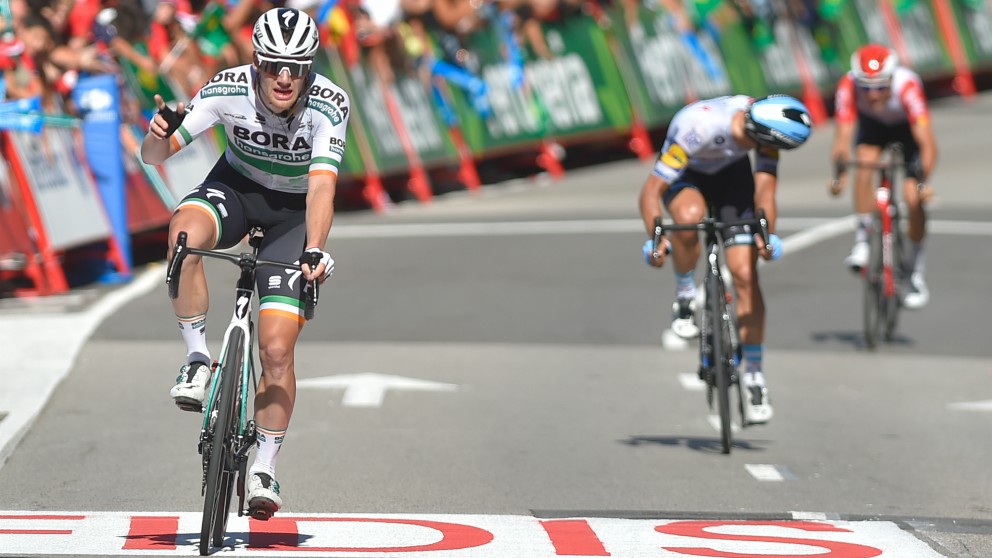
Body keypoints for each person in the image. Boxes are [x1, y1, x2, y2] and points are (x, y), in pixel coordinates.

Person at [140, 6, 349, 519]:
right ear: (255, 61)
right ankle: (195, 359)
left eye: (298, 67)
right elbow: (154, 156)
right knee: (184, 234)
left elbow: (322, 184)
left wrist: (316, 247)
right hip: (236, 190)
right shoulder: (227, 88)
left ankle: (266, 464)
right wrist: (158, 132)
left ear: (310, 68)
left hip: (293, 216)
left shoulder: (329, 103)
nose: (285, 77)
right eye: (275, 64)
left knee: (277, 350)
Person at [638, 94, 812, 424]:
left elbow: (765, 191)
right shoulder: (698, 128)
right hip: (687, 175)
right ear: (756, 130)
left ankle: (755, 377)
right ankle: (686, 295)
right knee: (689, 218)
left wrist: (766, 235)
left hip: (732, 180)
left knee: (746, 275)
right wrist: (656, 239)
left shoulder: (766, 132)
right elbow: (651, 191)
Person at [828, 43, 936, 309]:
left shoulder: (907, 87)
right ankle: (863, 241)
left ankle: (913, 273)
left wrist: (923, 182)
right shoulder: (847, 85)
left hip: (906, 130)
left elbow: (928, 144)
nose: (873, 94)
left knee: (912, 198)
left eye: (879, 86)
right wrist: (839, 174)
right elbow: (842, 139)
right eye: (866, 87)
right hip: (873, 127)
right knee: (863, 163)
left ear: (891, 78)